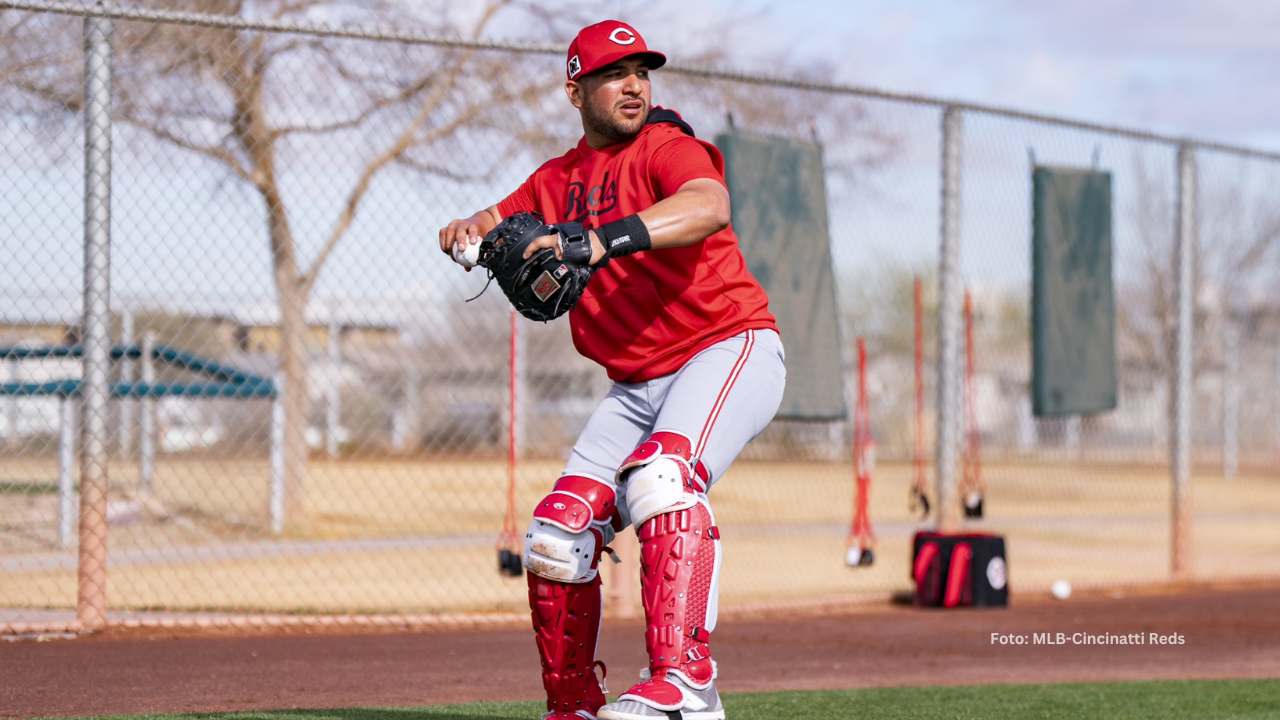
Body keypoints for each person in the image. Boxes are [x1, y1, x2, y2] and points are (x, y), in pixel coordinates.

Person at [438, 19, 785, 720]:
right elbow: (489, 222)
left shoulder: (666, 147)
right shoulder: (556, 178)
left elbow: (707, 205)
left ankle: (687, 683)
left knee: (662, 479)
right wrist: (466, 239)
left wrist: (599, 243)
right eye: (613, 74)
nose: (633, 85)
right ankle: (573, 705)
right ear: (575, 90)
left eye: (641, 73)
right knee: (555, 535)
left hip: (726, 347)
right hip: (636, 383)